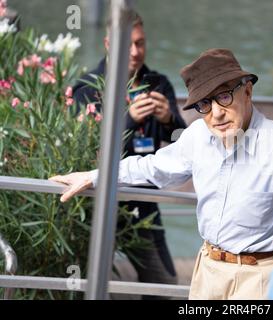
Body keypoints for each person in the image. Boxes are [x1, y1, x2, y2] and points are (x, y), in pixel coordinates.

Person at [51, 48, 273, 300]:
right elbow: (151, 167)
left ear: (247, 91)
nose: (216, 113)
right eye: (204, 103)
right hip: (207, 269)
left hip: (260, 278)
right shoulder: (198, 135)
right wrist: (94, 176)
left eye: (224, 96)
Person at [71, 12, 186, 298]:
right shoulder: (87, 88)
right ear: (110, 44)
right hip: (97, 201)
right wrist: (129, 120)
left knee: (163, 287)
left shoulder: (158, 84)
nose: (135, 52)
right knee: (92, 284)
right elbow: (88, 149)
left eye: (141, 44)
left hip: (142, 204)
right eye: (129, 44)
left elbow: (183, 144)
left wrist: (169, 119)